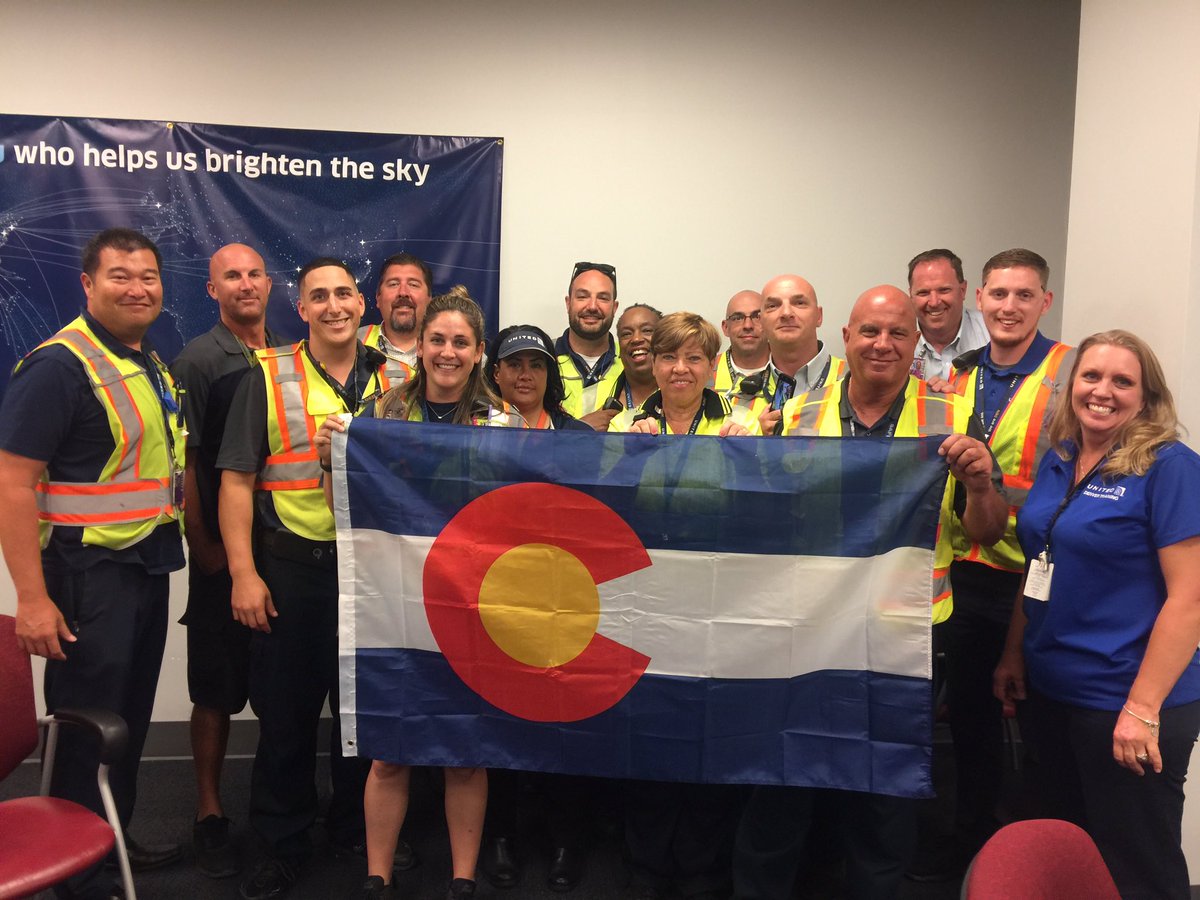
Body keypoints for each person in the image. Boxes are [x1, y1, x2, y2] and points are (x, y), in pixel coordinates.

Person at [732, 286, 1007, 900]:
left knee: (885, 791)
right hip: (808, 627)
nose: (883, 345)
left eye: (898, 334)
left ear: (916, 345)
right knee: (783, 776)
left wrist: (985, 486)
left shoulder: (954, 417)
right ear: (847, 337)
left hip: (905, 632)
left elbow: (986, 533)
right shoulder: (798, 416)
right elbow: (767, 526)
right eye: (870, 332)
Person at [0, 228, 186, 898]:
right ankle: (75, 872)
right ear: (88, 284)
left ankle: (108, 836)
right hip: (86, 577)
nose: (137, 288)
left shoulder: (144, 360)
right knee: (87, 724)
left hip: (144, 567)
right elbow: (12, 482)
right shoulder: (60, 366)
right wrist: (32, 597)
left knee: (125, 719)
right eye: (120, 276)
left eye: (148, 276)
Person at [319, 286, 520, 900]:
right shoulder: (380, 417)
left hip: (469, 604)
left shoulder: (502, 424)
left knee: (466, 749)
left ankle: (462, 879)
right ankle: (376, 877)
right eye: (438, 339)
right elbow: (343, 513)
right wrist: (334, 461)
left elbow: (516, 520)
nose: (448, 352)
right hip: (393, 602)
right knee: (389, 750)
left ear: (479, 351)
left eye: (461, 342)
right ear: (419, 346)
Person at [993, 330, 1200, 900]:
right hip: (1053, 690)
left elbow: (1191, 599)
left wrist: (1142, 708)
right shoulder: (1061, 456)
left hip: (1124, 701)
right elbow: (1041, 558)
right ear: (1072, 385)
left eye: (1122, 381)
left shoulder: (1171, 468)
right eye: (1091, 376)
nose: (1102, 391)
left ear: (1147, 395)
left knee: (1135, 863)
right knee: (1066, 850)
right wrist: (1015, 651)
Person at [217, 257, 387, 900]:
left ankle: (354, 830)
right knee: (286, 718)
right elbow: (234, 480)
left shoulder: (400, 376)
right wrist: (243, 574)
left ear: (361, 304)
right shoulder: (265, 376)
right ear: (303, 309)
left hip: (372, 570)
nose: (334, 305)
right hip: (293, 569)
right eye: (320, 296)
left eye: (344, 293)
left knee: (363, 712)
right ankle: (281, 844)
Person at [910, 248, 1074, 879]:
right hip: (966, 572)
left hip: (1038, 577)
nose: (1009, 307)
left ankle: (1044, 859)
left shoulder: (1069, 374)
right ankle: (974, 844)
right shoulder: (956, 375)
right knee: (974, 719)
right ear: (979, 298)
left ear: (1044, 302)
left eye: (1023, 296)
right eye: (998, 295)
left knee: (1042, 723)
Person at [170, 242, 284, 879]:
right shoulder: (198, 359)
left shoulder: (285, 355)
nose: (244, 285)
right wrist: (206, 548)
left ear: (269, 285)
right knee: (214, 690)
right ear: (212, 290)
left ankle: (273, 805)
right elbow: (184, 463)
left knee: (274, 688)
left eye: (253, 274)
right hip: (221, 555)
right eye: (230, 277)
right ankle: (210, 810)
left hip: (278, 551)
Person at [609, 312, 756, 436]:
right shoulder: (623, 426)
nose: (680, 369)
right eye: (669, 357)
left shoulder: (742, 422)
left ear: (711, 365)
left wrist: (743, 455)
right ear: (654, 364)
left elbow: (754, 470)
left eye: (693, 358)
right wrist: (629, 454)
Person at [735, 274, 846, 436]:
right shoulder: (741, 395)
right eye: (773, 306)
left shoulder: (852, 380)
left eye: (799, 303)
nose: (786, 313)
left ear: (819, 316)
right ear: (761, 321)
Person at [555, 261, 623, 430]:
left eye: (603, 298)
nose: (592, 306)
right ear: (568, 303)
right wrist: (579, 428)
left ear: (614, 307)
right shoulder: (543, 359)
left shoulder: (632, 361)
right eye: (582, 296)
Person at [484, 324, 592, 431]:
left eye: (536, 365)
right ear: (497, 373)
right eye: (515, 365)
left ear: (548, 373)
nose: (525, 376)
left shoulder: (578, 435)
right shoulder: (474, 429)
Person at [906, 249, 988, 381]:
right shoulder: (898, 340)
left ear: (963, 290)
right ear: (911, 296)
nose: (934, 302)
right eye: (923, 293)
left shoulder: (991, 333)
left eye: (944, 290)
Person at [359, 251, 428, 384]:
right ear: (378, 298)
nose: (403, 293)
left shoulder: (452, 349)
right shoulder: (352, 345)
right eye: (393, 284)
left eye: (413, 284)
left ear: (429, 299)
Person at [607, 303, 663, 413]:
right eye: (626, 334)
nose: (636, 339)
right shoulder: (590, 396)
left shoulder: (683, 392)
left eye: (647, 330)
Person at [712, 290, 768, 398]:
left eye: (757, 317)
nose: (748, 325)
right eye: (738, 318)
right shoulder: (704, 372)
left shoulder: (788, 372)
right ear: (726, 328)